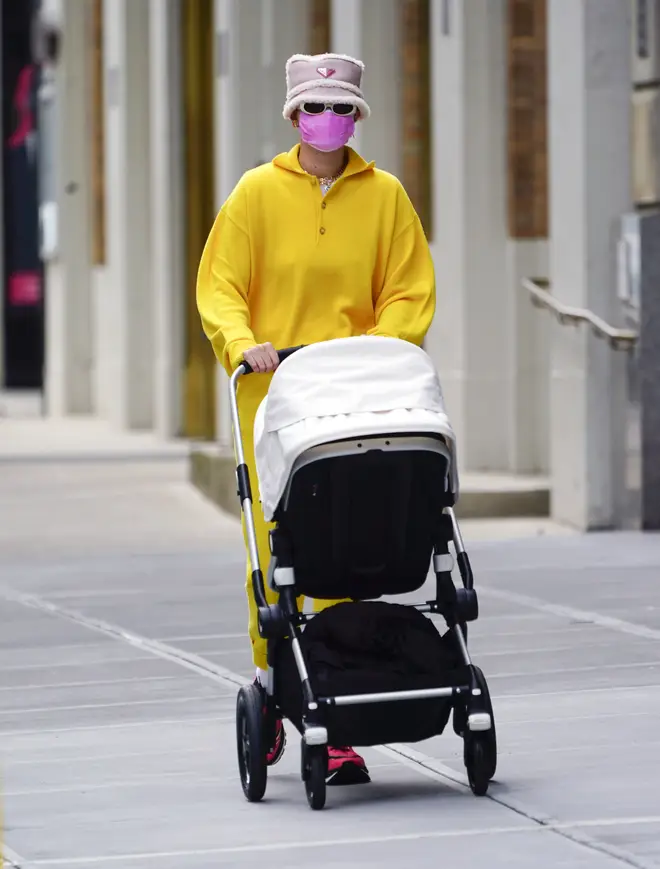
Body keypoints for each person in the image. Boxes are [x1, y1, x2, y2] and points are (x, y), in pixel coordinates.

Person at [197, 52, 436, 786]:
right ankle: (280, 687)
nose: (324, 120)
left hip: (356, 400)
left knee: (349, 553)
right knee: (277, 566)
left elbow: (409, 290)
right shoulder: (255, 195)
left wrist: (379, 344)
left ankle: (337, 717)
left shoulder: (386, 196)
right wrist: (244, 344)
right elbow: (221, 287)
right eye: (311, 108)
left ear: (356, 118)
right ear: (293, 116)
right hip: (274, 402)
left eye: (337, 108)